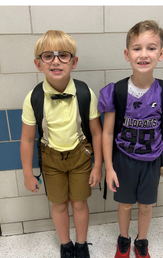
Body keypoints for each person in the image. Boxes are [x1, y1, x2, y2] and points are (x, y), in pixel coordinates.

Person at [100, 21, 163, 258]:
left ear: (161, 54)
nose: (144, 54)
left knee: (146, 205)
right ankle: (124, 239)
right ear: (127, 54)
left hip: (151, 161)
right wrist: (109, 167)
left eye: (151, 48)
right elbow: (106, 133)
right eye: (137, 48)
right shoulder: (115, 92)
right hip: (123, 159)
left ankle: (142, 240)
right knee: (125, 203)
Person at [20, 30, 102, 258]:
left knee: (79, 203)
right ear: (38, 64)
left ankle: (82, 244)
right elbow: (27, 139)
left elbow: (97, 133)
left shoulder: (85, 93)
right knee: (58, 205)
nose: (56, 61)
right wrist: (28, 173)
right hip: (51, 158)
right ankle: (66, 245)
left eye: (63, 55)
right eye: (48, 56)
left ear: (74, 62)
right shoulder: (33, 98)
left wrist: (97, 166)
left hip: (80, 156)